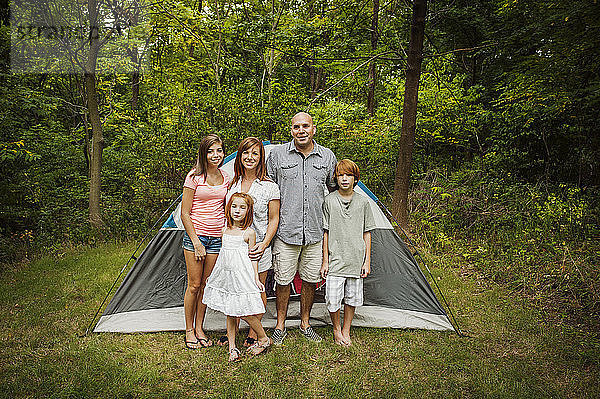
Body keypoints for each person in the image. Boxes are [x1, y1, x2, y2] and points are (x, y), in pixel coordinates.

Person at [266, 111, 337, 344]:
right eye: (296, 127)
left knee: (309, 280)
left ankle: (305, 323)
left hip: (315, 233)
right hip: (286, 232)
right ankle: (280, 325)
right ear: (291, 130)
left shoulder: (327, 157)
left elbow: (335, 190)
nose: (301, 130)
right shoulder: (277, 156)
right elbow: (268, 191)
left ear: (313, 129)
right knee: (283, 281)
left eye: (306, 126)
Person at [220, 137, 280, 348]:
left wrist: (263, 245)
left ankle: (255, 333)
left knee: (257, 290)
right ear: (240, 156)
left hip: (256, 248)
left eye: (255, 153)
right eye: (246, 153)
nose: (250, 157)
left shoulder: (269, 186)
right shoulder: (232, 183)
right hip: (233, 249)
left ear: (261, 157)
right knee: (234, 289)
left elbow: (274, 219)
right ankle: (232, 333)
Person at [202, 193, 273, 362]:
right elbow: (223, 256)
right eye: (234, 206)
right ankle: (232, 347)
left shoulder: (249, 233)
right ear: (229, 208)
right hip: (227, 276)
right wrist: (214, 276)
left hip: (242, 275)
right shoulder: (224, 230)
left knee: (243, 311)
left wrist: (256, 277)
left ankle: (263, 338)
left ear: (248, 211)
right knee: (230, 310)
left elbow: (253, 257)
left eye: (242, 207)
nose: (237, 211)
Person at [180, 134, 230, 349]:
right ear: (204, 153)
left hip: (216, 239)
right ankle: (189, 330)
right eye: (210, 151)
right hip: (196, 239)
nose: (215, 155)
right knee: (194, 285)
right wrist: (196, 241)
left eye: (219, 150)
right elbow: (184, 213)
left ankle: (200, 327)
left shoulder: (226, 177)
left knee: (206, 286)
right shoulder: (194, 177)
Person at [320, 159, 375, 346]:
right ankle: (336, 328)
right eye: (341, 175)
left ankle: (346, 329)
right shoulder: (329, 200)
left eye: (348, 175)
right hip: (335, 259)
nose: (344, 179)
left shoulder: (363, 202)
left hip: (355, 260)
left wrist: (367, 261)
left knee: (352, 298)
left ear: (355, 178)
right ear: (336, 177)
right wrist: (325, 261)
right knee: (333, 299)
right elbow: (325, 232)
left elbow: (367, 233)